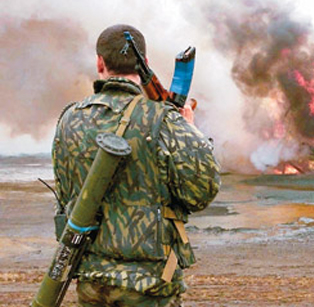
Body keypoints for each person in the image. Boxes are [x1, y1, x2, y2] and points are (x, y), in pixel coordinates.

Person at [52, 24, 221, 307]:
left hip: (93, 283)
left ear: (100, 63)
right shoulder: (164, 119)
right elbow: (201, 192)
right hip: (150, 286)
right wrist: (192, 132)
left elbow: (67, 197)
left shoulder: (69, 119)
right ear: (144, 62)